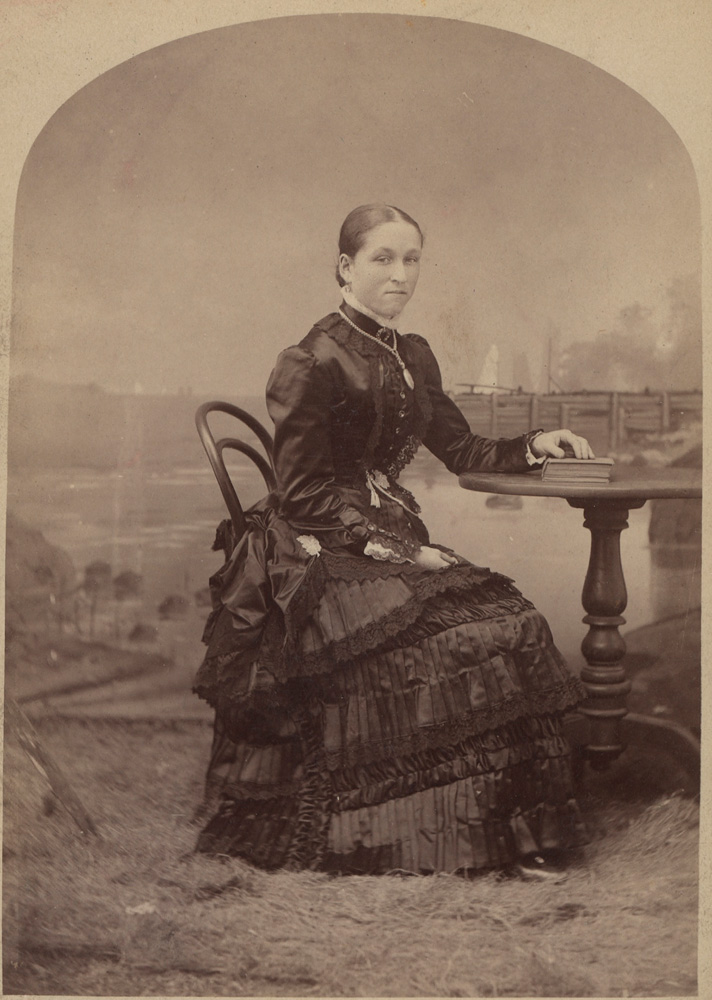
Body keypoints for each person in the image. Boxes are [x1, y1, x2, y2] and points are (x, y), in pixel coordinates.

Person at [193, 203, 595, 879]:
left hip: (380, 538)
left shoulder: (411, 354)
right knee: (483, 634)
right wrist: (407, 553)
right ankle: (459, 832)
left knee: (514, 619)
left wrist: (535, 444)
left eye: (411, 260)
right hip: (317, 552)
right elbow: (304, 496)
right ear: (345, 268)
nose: (400, 275)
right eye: (383, 258)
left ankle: (514, 827)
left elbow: (462, 449)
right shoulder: (308, 360)